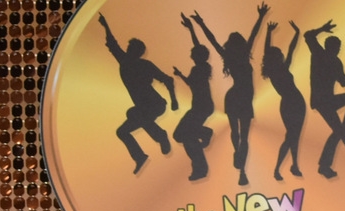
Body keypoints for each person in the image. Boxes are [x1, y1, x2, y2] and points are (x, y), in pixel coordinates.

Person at [191, 4, 268, 187]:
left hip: (234, 97)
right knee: (244, 136)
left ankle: (240, 165)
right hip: (243, 98)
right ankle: (242, 172)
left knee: (237, 133)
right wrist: (261, 17)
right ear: (240, 43)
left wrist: (201, 24)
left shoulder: (229, 55)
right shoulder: (243, 54)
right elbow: (254, 34)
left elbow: (213, 40)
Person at [99, 14, 178, 174]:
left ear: (138, 53)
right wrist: (105, 25)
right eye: (128, 48)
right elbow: (112, 44)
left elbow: (167, 80)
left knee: (135, 113)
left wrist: (173, 100)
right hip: (143, 109)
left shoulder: (145, 65)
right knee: (123, 130)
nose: (128, 50)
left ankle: (161, 136)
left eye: (131, 49)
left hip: (156, 105)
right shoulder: (124, 61)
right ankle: (140, 156)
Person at [303, 22, 345, 179]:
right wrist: (322, 29)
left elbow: (344, 82)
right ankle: (326, 163)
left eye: (338, 48)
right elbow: (308, 36)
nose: (338, 50)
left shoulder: (336, 62)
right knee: (338, 131)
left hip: (329, 100)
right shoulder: (318, 53)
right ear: (329, 47)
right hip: (321, 101)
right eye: (336, 47)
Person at [171, 14, 217, 182]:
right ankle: (203, 135)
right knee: (182, 135)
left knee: (182, 135)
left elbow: (197, 47)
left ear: (197, 56)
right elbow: (197, 46)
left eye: (192, 54)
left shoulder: (200, 69)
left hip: (201, 107)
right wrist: (190, 28)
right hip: (200, 107)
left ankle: (200, 166)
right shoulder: (202, 67)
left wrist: (191, 28)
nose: (190, 55)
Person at [261, 21, 306, 182]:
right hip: (293, 103)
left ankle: (294, 165)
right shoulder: (280, 69)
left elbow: (287, 50)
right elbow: (288, 50)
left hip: (291, 103)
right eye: (279, 54)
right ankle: (280, 168)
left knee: (293, 136)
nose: (282, 55)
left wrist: (270, 32)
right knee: (291, 137)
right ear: (276, 58)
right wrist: (295, 33)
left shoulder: (274, 71)